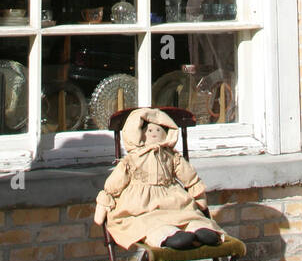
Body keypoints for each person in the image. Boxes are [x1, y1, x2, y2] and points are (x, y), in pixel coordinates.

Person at [94, 107, 222, 249]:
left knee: (188, 214)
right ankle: (167, 235)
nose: (154, 132)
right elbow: (115, 183)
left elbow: (189, 177)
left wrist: (198, 196)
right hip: (142, 206)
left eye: (158, 129)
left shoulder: (172, 156)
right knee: (148, 223)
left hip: (173, 199)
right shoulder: (132, 159)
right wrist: (104, 202)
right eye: (149, 130)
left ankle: (199, 228)